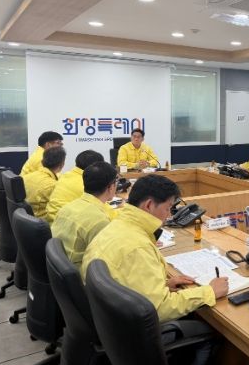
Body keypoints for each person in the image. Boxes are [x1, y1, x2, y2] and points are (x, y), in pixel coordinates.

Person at [81, 175, 228, 364]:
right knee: (209, 332)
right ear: (149, 205)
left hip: (110, 325)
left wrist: (164, 284)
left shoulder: (118, 226)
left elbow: (126, 279)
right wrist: (209, 292)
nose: (169, 215)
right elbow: (159, 309)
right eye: (168, 208)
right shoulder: (137, 247)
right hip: (131, 337)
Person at [51, 161, 117, 270]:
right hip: (81, 274)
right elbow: (108, 260)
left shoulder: (67, 207)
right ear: (110, 187)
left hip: (58, 269)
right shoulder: (100, 222)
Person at [45, 150, 104, 223]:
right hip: (65, 222)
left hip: (54, 219)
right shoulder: (85, 183)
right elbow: (102, 208)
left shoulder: (66, 175)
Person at [24, 147, 66, 219]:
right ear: (62, 164)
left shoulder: (26, 177)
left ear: (42, 161)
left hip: (27, 219)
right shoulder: (52, 186)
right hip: (42, 222)